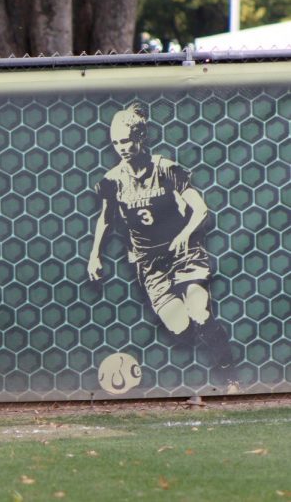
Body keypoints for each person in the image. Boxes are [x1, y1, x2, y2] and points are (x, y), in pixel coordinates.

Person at [87, 102, 240, 393]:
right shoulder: (112, 181)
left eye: (127, 141)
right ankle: (205, 339)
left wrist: (185, 233)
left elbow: (201, 209)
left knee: (201, 311)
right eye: (116, 142)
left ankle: (230, 376)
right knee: (180, 327)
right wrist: (95, 255)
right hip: (148, 262)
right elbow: (105, 218)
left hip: (184, 253)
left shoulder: (166, 169)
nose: (121, 147)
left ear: (141, 138)